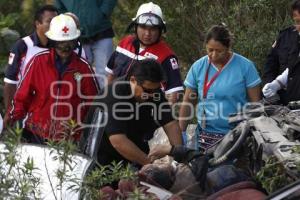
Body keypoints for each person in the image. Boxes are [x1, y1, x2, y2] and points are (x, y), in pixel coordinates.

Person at [4, 14, 99, 143]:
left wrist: (86, 134)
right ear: (53, 41)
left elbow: (94, 105)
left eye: (69, 42)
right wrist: (9, 121)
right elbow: (21, 97)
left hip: (69, 140)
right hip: (35, 133)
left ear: (76, 41)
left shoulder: (84, 68)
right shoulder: (38, 61)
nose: (65, 47)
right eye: (61, 42)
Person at [179, 25, 261, 151]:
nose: (214, 55)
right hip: (205, 134)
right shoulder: (198, 67)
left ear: (228, 47)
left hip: (236, 136)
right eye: (210, 50)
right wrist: (181, 133)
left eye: (219, 51)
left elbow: (255, 105)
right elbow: (188, 102)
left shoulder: (245, 67)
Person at [89, 59, 182, 167]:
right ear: (133, 80)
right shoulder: (114, 96)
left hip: (134, 149)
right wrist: (150, 164)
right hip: (102, 158)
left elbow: (170, 124)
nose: (152, 95)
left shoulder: (153, 92)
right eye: (147, 91)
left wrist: (179, 156)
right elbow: (118, 141)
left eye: (155, 90)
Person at [105, 2, 183, 104]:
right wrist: (107, 100)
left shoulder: (167, 57)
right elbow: (111, 75)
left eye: (153, 29)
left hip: (148, 112)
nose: (147, 33)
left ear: (160, 30)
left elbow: (173, 94)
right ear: (135, 27)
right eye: (143, 27)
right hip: (118, 105)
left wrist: (161, 115)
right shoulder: (124, 43)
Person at [3, 5, 58, 110]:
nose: (54, 25)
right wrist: (10, 112)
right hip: (25, 108)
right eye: (49, 21)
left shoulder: (61, 47)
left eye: (56, 22)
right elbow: (10, 82)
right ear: (38, 24)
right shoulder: (22, 46)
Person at [54, 0, 117, 88]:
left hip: (102, 30)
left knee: (106, 72)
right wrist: (69, 21)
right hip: (76, 35)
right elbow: (59, 7)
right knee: (79, 74)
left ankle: (106, 100)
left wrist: (102, 14)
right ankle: (83, 100)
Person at [262, 0, 300, 104]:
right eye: (297, 22)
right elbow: (271, 64)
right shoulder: (285, 36)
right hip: (284, 102)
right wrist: (270, 85)